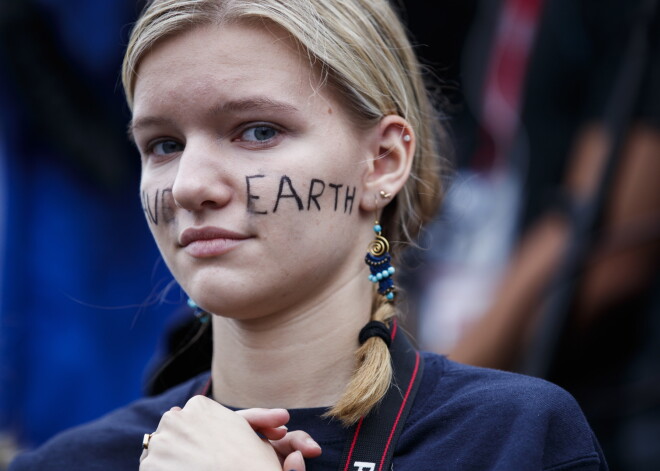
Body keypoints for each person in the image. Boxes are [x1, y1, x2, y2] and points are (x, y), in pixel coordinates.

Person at [9, 0, 608, 469]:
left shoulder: (513, 440)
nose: (191, 185)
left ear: (382, 161)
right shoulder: (71, 461)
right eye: (163, 145)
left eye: (256, 131)